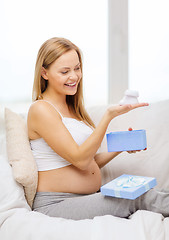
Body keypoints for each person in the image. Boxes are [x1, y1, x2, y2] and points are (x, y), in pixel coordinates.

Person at [27, 37, 169, 220]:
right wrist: (108, 116)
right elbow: (81, 161)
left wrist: (121, 147)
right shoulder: (41, 109)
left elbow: (89, 161)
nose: (74, 76)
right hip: (57, 204)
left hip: (84, 198)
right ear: (44, 73)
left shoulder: (72, 109)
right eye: (64, 71)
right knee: (137, 197)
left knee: (152, 190)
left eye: (77, 68)